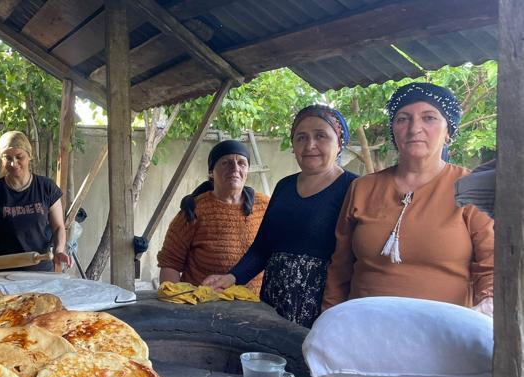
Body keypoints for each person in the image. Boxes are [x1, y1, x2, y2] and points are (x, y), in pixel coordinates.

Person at [322, 82, 494, 317]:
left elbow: (492, 267)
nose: (415, 128)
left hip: (443, 334)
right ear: (393, 130)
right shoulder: (362, 188)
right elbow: (339, 268)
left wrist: (487, 310)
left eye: (429, 118)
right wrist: (329, 318)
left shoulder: (473, 189)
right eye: (403, 119)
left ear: (448, 132)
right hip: (363, 329)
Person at [203, 106, 358, 327]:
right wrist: (231, 277)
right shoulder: (284, 187)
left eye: (321, 136)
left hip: (324, 309)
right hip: (273, 303)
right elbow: (263, 247)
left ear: (340, 142)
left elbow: (358, 259)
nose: (310, 145)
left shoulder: (354, 188)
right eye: (301, 137)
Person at [157, 140, 270, 294]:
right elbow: (170, 263)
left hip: (255, 307)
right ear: (211, 172)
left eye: (242, 163)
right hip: (203, 307)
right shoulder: (193, 210)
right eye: (226, 163)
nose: (235, 169)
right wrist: (178, 303)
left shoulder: (265, 206)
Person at [0, 131, 72, 272]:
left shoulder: (46, 187)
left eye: (19, 157)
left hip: (39, 270)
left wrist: (59, 250)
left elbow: (58, 227)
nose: (13, 163)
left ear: (29, 156)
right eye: (7, 158)